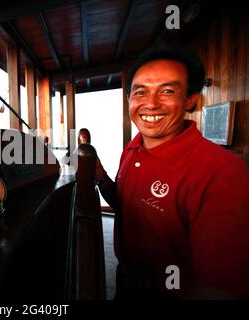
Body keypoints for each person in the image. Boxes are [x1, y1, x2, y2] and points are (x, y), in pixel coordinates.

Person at [95, 46, 249, 299]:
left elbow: (222, 287)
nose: (151, 103)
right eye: (140, 91)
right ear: (130, 100)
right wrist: (100, 177)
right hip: (126, 281)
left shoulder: (221, 171)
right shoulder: (132, 149)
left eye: (167, 91)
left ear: (191, 100)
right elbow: (128, 207)